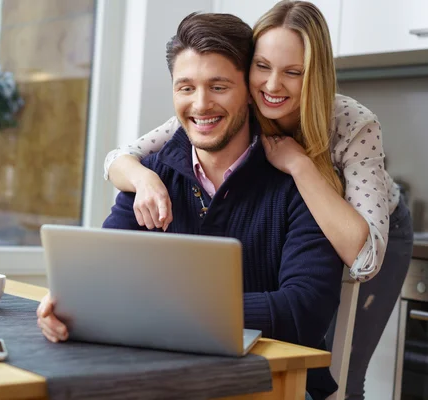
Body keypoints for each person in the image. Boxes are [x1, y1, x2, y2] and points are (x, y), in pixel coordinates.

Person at [102, 1, 413, 400]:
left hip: (371, 225)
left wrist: (301, 167)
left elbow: (361, 260)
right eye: (262, 68)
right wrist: (142, 179)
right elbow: (119, 159)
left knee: (346, 370)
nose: (271, 86)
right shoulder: (199, 119)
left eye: (293, 72)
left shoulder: (349, 126)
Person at [38, 11, 343, 400]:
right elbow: (103, 276)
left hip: (270, 385)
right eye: (186, 88)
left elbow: (304, 311)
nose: (201, 105)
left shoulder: (300, 183)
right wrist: (69, 302)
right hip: (161, 381)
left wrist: (169, 313)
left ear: (249, 91)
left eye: (219, 87)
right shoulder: (150, 174)